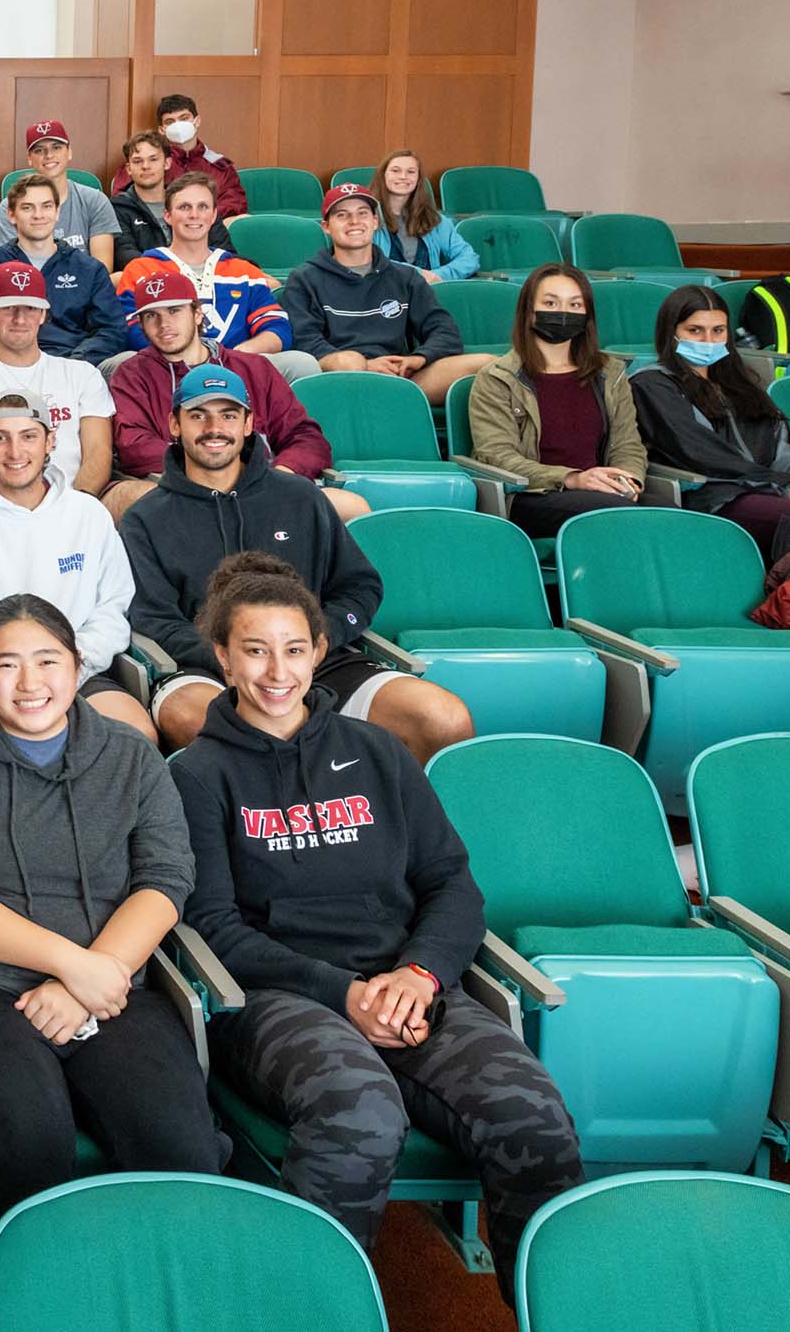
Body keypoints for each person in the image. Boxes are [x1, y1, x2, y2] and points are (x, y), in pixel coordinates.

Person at [172, 552, 582, 1300]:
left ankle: (546, 1311)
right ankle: (305, 1311)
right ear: (223, 657)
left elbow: (452, 885)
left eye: (294, 650)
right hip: (277, 997)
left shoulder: (379, 753)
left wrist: (419, 974)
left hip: (407, 983)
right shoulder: (197, 776)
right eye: (255, 651)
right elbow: (212, 929)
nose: (276, 672)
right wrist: (345, 993)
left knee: (535, 1117)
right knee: (358, 1111)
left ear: (320, 653)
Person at [0, 593, 222, 1275]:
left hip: (107, 984)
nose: (29, 682)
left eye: (47, 661)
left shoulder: (131, 757)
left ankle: (139, 1296)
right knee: (25, 1136)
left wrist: (89, 978)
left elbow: (164, 882)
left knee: (177, 1138)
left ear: (77, 670)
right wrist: (71, 964)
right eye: (5, 664)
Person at [122, 363, 474, 760]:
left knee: (443, 718)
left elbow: (360, 588)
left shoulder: (300, 497)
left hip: (315, 661)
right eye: (198, 415)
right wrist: (232, 655)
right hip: (209, 668)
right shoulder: (146, 517)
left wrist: (316, 642)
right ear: (174, 424)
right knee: (193, 718)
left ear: (249, 423)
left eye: (228, 415)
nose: (214, 428)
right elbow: (153, 619)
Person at [0, 390, 152, 739]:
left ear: (50, 441)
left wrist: (74, 661)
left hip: (75, 668)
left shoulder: (87, 514)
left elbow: (114, 605)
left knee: (137, 734)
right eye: (0, 438)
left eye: (28, 436)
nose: (15, 452)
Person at [103, 270, 358, 522]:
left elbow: (306, 437)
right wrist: (214, 473)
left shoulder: (253, 368)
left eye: (174, 311)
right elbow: (133, 446)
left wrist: (281, 473)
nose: (163, 325)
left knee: (351, 506)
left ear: (197, 313)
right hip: (177, 486)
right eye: (151, 316)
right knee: (132, 497)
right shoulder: (132, 373)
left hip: (260, 482)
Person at [631, 284, 790, 560]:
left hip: (766, 489)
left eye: (718, 331)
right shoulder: (652, 385)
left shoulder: (738, 383)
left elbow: (781, 450)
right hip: (713, 496)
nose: (709, 341)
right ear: (671, 333)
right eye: (695, 330)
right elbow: (702, 456)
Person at [468, 263, 647, 536]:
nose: (563, 313)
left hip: (603, 493)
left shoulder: (610, 374)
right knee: (621, 517)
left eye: (575, 305)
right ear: (529, 314)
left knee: (679, 520)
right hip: (533, 495)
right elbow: (498, 457)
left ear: (587, 315)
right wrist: (572, 478)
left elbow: (628, 444)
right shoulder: (497, 378)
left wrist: (626, 479)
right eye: (550, 303)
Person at [282, 185, 491, 404]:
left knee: (487, 364)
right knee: (349, 362)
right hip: (337, 378)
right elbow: (304, 341)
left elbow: (445, 330)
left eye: (362, 213)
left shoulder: (405, 276)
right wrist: (365, 365)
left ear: (375, 222)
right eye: (342, 215)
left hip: (399, 376)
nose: (354, 221)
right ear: (326, 227)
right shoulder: (305, 278)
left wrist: (418, 358)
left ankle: (390, 404)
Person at [0, 261, 115, 496]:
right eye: (8, 307)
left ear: (43, 314)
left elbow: (98, 453)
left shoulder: (82, 374)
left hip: (73, 502)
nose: (19, 319)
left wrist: (73, 508)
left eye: (30, 308)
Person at [112, 172, 306, 379]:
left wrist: (236, 355)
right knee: (123, 362)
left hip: (236, 365)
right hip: (167, 367)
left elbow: (277, 328)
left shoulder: (243, 271)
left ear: (213, 216)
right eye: (184, 207)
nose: (194, 215)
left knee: (301, 363)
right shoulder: (142, 269)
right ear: (167, 215)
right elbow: (133, 330)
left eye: (202, 207)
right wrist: (188, 357)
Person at [0, 173, 128, 364]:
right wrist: (17, 361)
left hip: (73, 363)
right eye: (27, 208)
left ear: (57, 212)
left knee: (125, 361)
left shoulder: (89, 269)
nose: (38, 215)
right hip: (4, 363)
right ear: (11, 214)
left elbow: (111, 330)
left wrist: (74, 362)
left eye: (47, 206)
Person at [0, 120, 120, 269]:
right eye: (39, 150)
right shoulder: (10, 206)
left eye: (56, 147)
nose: (49, 155)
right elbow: (12, 268)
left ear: (69, 151)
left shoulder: (95, 200)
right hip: (30, 288)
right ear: (29, 158)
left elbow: (102, 270)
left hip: (83, 288)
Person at [110, 94, 246, 219]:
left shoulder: (219, 166)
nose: (178, 125)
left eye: (184, 118)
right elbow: (122, 201)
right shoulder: (151, 163)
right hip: (160, 228)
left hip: (209, 228)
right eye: (170, 121)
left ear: (197, 121)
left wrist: (198, 217)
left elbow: (235, 203)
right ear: (162, 129)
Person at [369, 150, 478, 283]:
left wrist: (440, 275)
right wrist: (418, 274)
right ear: (383, 175)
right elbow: (366, 260)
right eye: (395, 170)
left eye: (411, 171)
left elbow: (469, 258)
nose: (403, 176)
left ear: (418, 179)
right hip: (382, 291)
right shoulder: (367, 217)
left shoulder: (435, 220)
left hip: (426, 293)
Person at [109, 131, 177, 268]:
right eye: (138, 161)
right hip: (147, 280)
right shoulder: (117, 208)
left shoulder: (188, 203)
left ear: (167, 163)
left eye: (153, 159)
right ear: (128, 169)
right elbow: (124, 254)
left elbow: (222, 248)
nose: (145, 166)